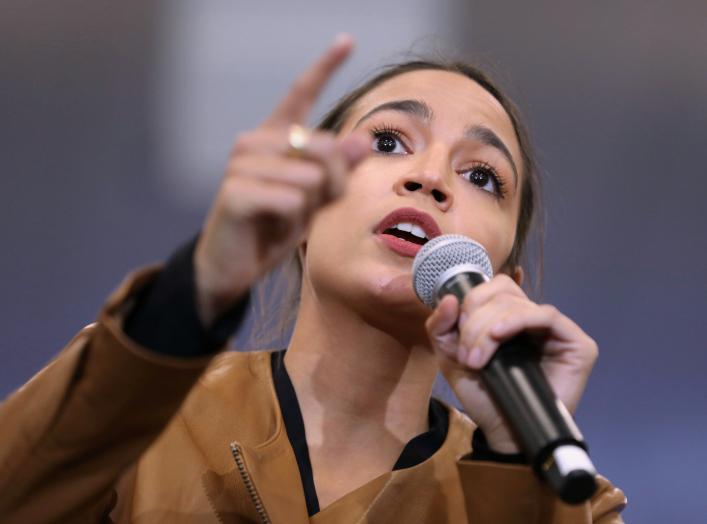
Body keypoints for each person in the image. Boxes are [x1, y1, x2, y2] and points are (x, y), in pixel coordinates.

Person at [0, 35, 626, 522]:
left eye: (482, 176)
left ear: (504, 281)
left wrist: (516, 458)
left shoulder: (570, 506)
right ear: (304, 209)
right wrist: (190, 296)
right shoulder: (127, 409)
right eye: (388, 141)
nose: (430, 175)